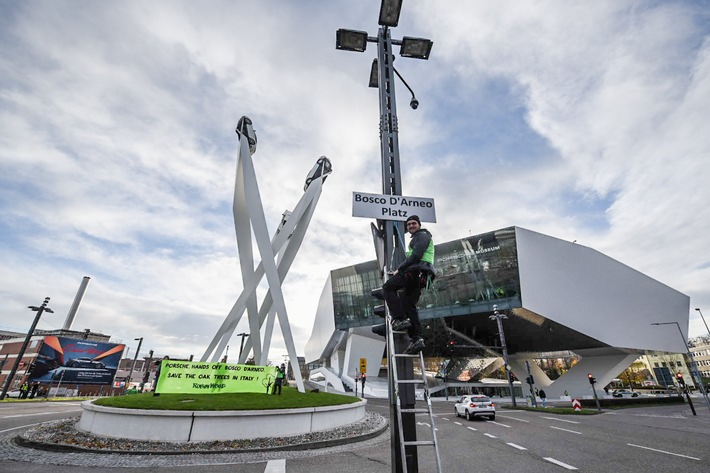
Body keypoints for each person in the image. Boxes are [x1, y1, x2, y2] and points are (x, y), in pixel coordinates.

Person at [382, 215, 435, 355]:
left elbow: (416, 256)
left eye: (413, 223)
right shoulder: (420, 237)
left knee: (388, 287)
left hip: (415, 271)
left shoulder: (422, 235)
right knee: (408, 305)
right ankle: (416, 338)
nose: (411, 226)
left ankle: (398, 319)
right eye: (409, 224)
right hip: (420, 274)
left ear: (419, 224)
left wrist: (400, 268)